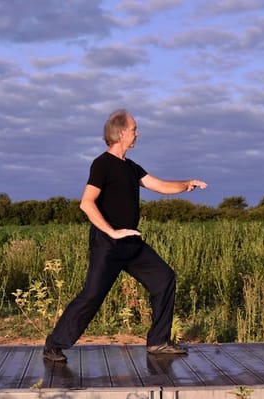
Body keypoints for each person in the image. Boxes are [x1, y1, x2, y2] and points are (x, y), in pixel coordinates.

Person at [43, 109, 208, 363]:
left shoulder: (131, 167)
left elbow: (160, 185)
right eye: (134, 129)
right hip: (108, 245)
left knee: (164, 278)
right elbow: (87, 203)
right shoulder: (102, 164)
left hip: (132, 243)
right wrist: (111, 231)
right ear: (121, 132)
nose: (137, 133)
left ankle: (159, 342)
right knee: (92, 295)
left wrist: (186, 184)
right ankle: (54, 345)